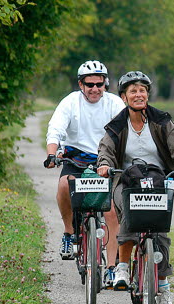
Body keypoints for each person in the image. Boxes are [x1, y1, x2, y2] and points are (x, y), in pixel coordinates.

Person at [96, 71, 174, 304]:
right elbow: (106, 149)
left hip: (158, 181)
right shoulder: (116, 125)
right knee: (128, 210)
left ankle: (164, 290)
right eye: (133, 91)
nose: (139, 94)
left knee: (160, 232)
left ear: (148, 94)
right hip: (127, 181)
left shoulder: (162, 121)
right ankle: (123, 266)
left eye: (142, 90)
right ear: (124, 97)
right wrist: (104, 164)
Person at [44, 60, 124, 285]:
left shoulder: (114, 103)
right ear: (81, 84)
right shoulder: (70, 102)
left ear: (105, 84)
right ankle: (69, 233)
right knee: (63, 185)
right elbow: (56, 129)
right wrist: (52, 154)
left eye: (100, 84)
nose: (95, 89)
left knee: (110, 211)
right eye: (90, 85)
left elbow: (124, 130)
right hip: (76, 158)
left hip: (105, 160)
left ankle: (111, 267)